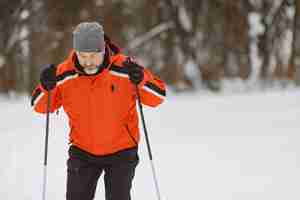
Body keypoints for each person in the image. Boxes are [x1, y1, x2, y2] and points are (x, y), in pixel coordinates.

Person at [31, 22, 166, 200]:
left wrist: (141, 79)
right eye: (82, 56)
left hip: (121, 150)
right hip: (83, 150)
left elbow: (158, 97)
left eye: (93, 56)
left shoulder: (125, 69)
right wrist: (46, 86)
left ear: (103, 50)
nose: (88, 62)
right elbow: (39, 106)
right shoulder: (64, 74)